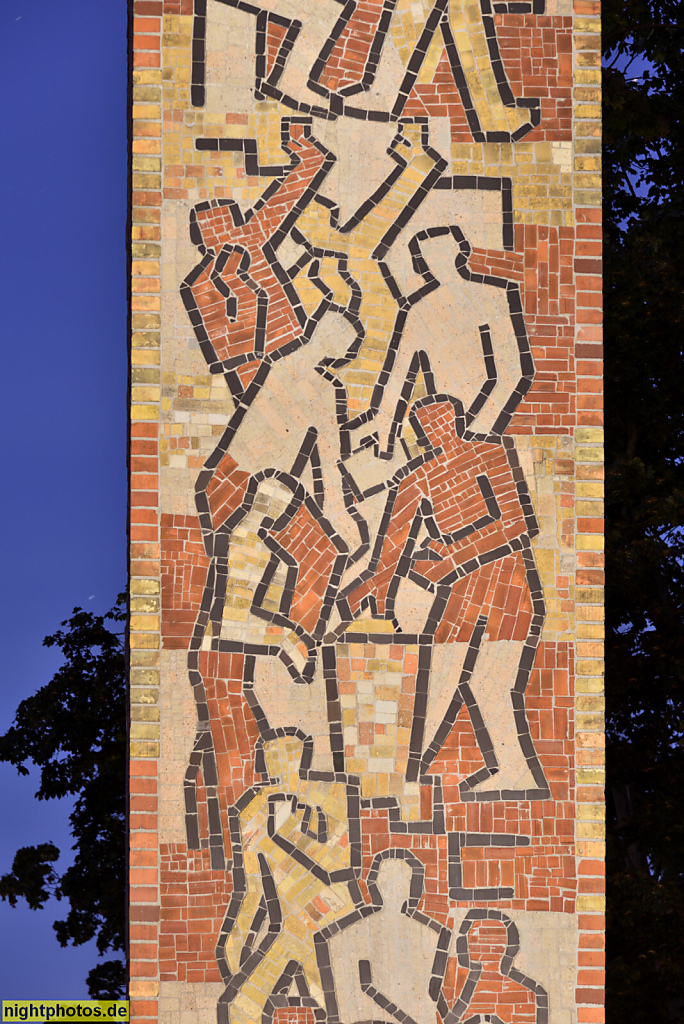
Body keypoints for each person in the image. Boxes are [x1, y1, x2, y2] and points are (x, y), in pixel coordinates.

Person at [216, 729, 363, 1024]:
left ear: (301, 761)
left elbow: (345, 867)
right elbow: (252, 889)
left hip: (336, 918)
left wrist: (286, 831)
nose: (280, 770)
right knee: (239, 1008)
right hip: (292, 926)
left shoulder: (334, 795)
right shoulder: (253, 815)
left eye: (287, 760)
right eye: (272, 763)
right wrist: (236, 937)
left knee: (339, 1006)